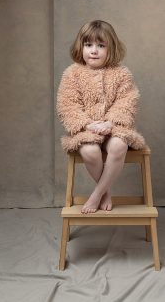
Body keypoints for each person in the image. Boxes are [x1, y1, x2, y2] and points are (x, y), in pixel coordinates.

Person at [56, 20, 146, 214]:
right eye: (88, 45)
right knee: (90, 151)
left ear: (110, 48)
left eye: (100, 45)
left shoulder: (121, 73)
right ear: (81, 47)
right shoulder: (72, 74)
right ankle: (105, 192)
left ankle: (96, 194)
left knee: (119, 145)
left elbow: (128, 101)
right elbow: (67, 105)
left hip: (114, 127)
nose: (93, 51)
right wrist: (88, 125)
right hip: (86, 129)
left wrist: (110, 123)